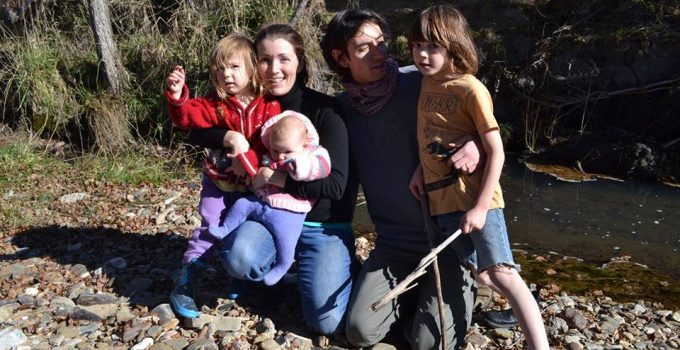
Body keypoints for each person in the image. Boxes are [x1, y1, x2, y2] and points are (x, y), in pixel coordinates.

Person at [321, 8, 483, 350]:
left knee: (428, 345)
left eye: (381, 43)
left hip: (447, 241)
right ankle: (415, 298)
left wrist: (476, 144)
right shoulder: (339, 111)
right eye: (364, 48)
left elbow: (481, 115)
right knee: (360, 331)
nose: (379, 53)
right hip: (395, 244)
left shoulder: (421, 79)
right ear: (341, 57)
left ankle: (468, 287)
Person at [187, 24, 356, 336]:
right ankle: (273, 279)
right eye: (264, 59)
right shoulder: (253, 105)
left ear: (300, 63)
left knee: (326, 323)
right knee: (238, 258)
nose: (273, 69)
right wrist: (231, 136)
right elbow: (193, 130)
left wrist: (277, 178)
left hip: (322, 226)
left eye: (284, 59)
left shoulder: (324, 110)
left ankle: (338, 269)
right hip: (270, 217)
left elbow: (335, 186)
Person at [407, 4, 550, 349]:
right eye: (416, 46)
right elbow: (431, 135)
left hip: (475, 200)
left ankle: (539, 344)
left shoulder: (470, 89)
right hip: (442, 200)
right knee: (482, 272)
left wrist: (482, 207)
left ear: (453, 46)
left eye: (432, 47)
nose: (422, 54)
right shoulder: (426, 82)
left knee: (502, 271)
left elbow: (497, 151)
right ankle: (507, 309)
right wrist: (419, 170)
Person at [164, 33, 281, 318]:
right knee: (210, 226)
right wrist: (178, 96)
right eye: (219, 69)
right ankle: (187, 279)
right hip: (218, 181)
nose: (226, 75)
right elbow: (186, 118)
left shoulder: (269, 105)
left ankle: (244, 275)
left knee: (249, 225)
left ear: (252, 68)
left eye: (234, 67)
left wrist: (250, 161)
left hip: (253, 185)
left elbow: (272, 145)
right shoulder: (215, 104)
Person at [208, 110, 331, 286]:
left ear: (304, 144)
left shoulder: (310, 155)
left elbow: (322, 168)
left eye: (287, 151)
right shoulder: (269, 154)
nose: (280, 156)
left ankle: (282, 266)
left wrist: (299, 165)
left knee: (286, 242)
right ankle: (225, 229)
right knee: (242, 204)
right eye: (276, 150)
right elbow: (254, 162)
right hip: (262, 202)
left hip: (289, 212)